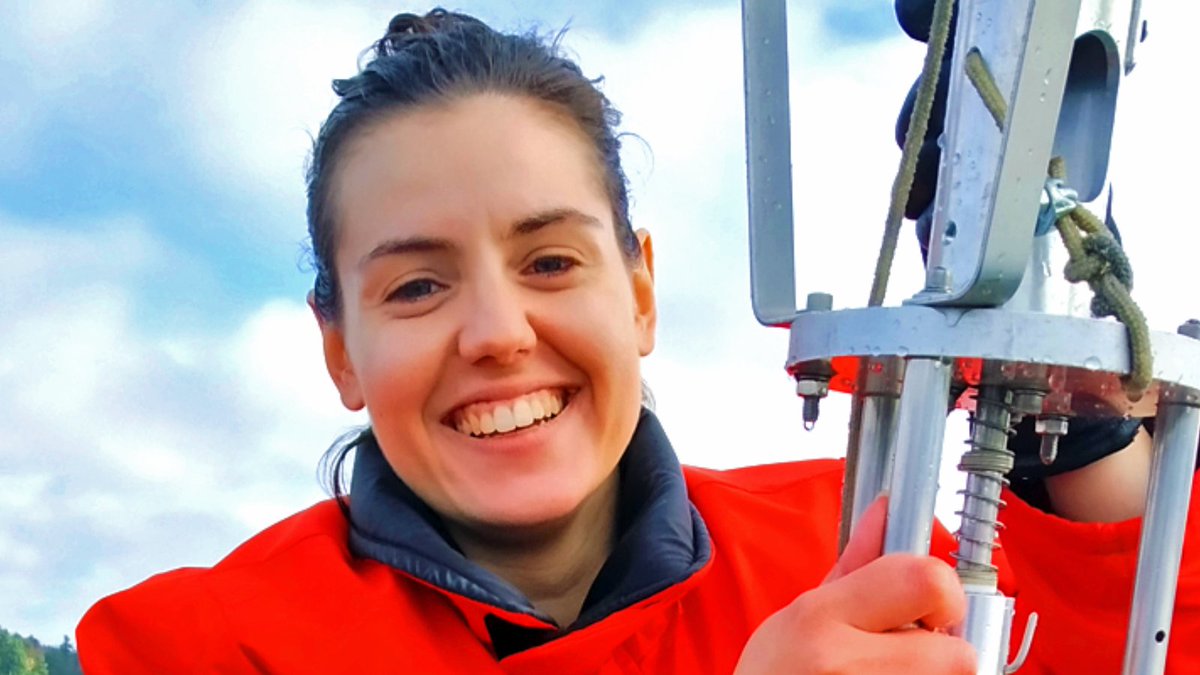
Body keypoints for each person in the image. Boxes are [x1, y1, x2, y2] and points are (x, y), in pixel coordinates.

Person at [76, 8, 1200, 673]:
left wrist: (1087, 443)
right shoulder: (203, 645)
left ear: (642, 293)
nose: (498, 333)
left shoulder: (848, 540)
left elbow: (1119, 637)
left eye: (552, 262)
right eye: (418, 285)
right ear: (340, 351)